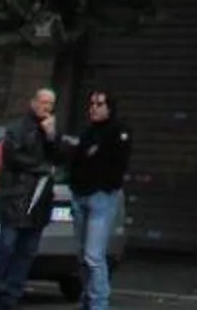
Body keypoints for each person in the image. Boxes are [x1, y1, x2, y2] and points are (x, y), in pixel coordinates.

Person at [0, 87, 60, 310]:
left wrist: (51, 137)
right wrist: (42, 168)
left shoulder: (50, 131)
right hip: (16, 199)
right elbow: (14, 156)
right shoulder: (17, 128)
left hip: (38, 200)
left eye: (50, 103)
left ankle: (11, 296)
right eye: (43, 102)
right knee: (6, 247)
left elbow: (58, 159)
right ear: (33, 103)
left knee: (28, 251)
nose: (46, 107)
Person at [68, 87, 132, 310]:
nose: (93, 108)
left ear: (109, 108)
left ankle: (99, 303)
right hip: (81, 196)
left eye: (99, 104)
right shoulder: (87, 132)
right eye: (91, 104)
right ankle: (88, 298)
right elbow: (76, 159)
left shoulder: (119, 131)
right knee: (82, 256)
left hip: (101, 197)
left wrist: (106, 185)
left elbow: (118, 163)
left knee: (94, 255)